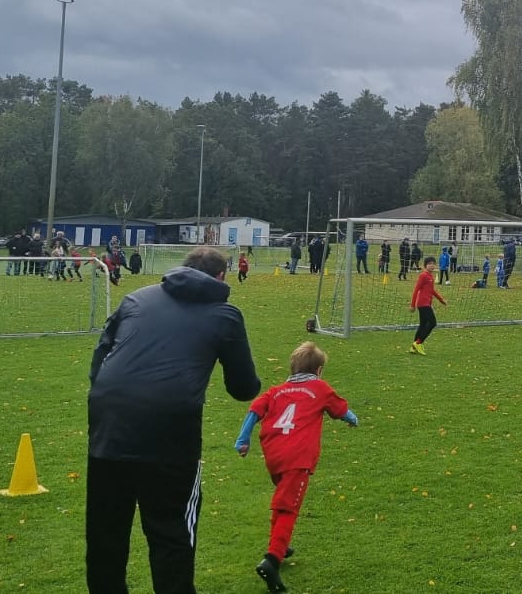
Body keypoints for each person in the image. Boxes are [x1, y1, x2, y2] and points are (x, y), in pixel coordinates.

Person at [86, 246, 261, 594]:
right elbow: (243, 388)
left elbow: (100, 359)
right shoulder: (224, 314)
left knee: (106, 534)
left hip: (109, 425)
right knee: (171, 535)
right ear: (222, 277)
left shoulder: (135, 298)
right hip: (170, 436)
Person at [234, 341, 358, 593]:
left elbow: (254, 410)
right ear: (319, 370)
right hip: (297, 457)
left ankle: (280, 544)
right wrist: (352, 418)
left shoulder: (276, 390)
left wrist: (243, 439)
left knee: (283, 500)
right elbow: (340, 409)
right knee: (288, 508)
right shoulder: (320, 388)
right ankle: (272, 560)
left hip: (274, 455)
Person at [409, 256, 447, 355]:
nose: (432, 265)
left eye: (433, 263)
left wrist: (441, 300)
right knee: (433, 323)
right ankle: (418, 342)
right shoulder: (423, 275)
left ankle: (413, 347)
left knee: (422, 325)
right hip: (423, 304)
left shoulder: (430, 276)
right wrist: (412, 304)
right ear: (425, 265)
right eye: (429, 264)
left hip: (427, 303)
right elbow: (416, 289)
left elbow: (432, 291)